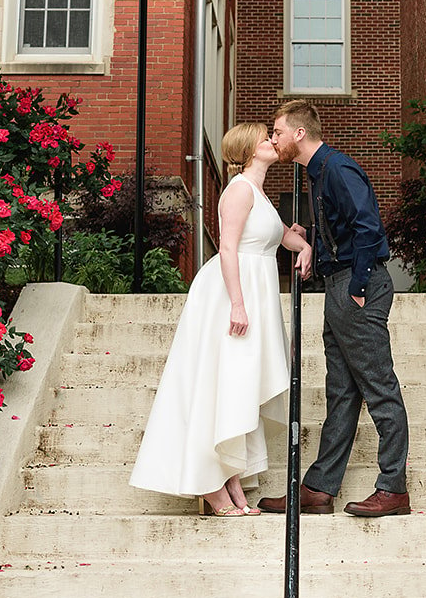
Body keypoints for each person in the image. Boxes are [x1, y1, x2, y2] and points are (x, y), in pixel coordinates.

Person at [130, 122, 313, 516]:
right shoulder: (238, 190)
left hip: (255, 292)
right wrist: (237, 304)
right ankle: (211, 486)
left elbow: (281, 235)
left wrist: (306, 246)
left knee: (239, 388)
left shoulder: (259, 192)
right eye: (265, 137)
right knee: (224, 385)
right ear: (249, 149)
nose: (271, 141)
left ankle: (231, 481)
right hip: (231, 294)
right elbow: (228, 249)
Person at [259, 100, 411, 518]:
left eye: (277, 132)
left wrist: (359, 287)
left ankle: (393, 488)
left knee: (379, 388)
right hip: (338, 284)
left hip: (356, 286)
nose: (274, 139)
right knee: (341, 391)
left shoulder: (338, 168)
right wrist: (312, 240)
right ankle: (319, 488)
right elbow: (342, 227)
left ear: (299, 134)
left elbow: (368, 226)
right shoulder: (317, 173)